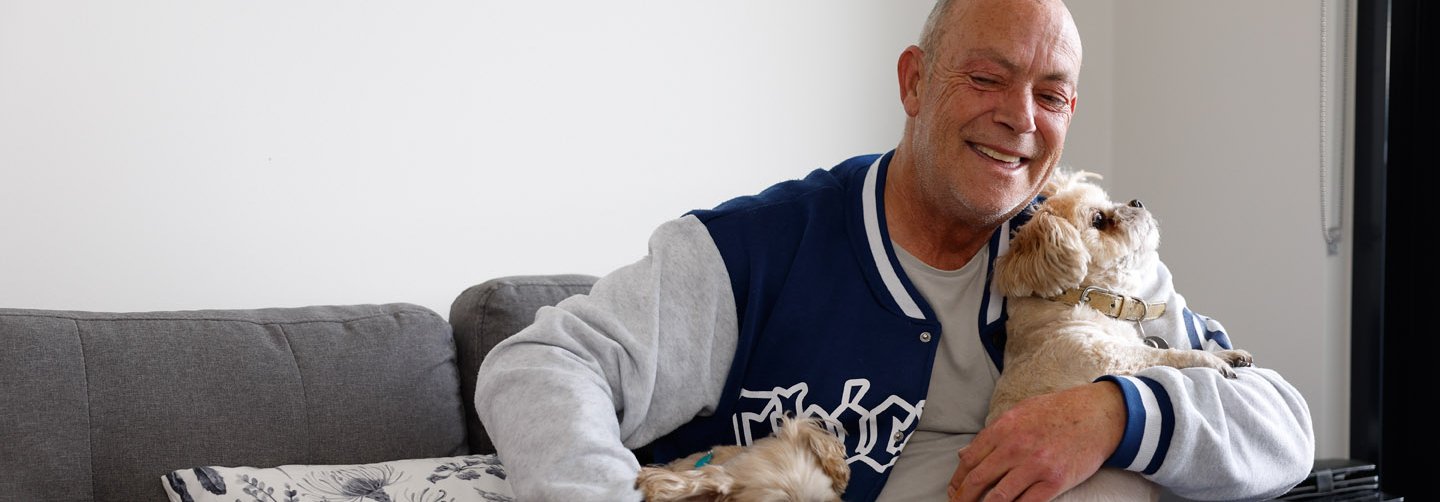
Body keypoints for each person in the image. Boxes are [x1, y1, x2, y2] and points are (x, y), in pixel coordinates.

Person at [474, 0, 1315, 500]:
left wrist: (1112, 413)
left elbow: (1283, 428)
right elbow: (542, 364)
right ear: (915, 81)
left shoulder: (1084, 264)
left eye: (1051, 95)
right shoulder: (755, 252)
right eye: (987, 78)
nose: (1021, 118)